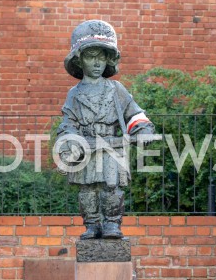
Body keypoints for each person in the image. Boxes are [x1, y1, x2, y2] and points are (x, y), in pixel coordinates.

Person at [56, 20, 154, 240]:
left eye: (101, 56)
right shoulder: (74, 94)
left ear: (109, 59)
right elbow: (67, 125)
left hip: (113, 149)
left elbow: (134, 114)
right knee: (87, 191)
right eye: (91, 56)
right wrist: (71, 145)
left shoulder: (116, 89)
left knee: (112, 189)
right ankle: (92, 225)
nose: (97, 62)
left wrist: (142, 130)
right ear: (79, 60)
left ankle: (111, 224)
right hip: (86, 149)